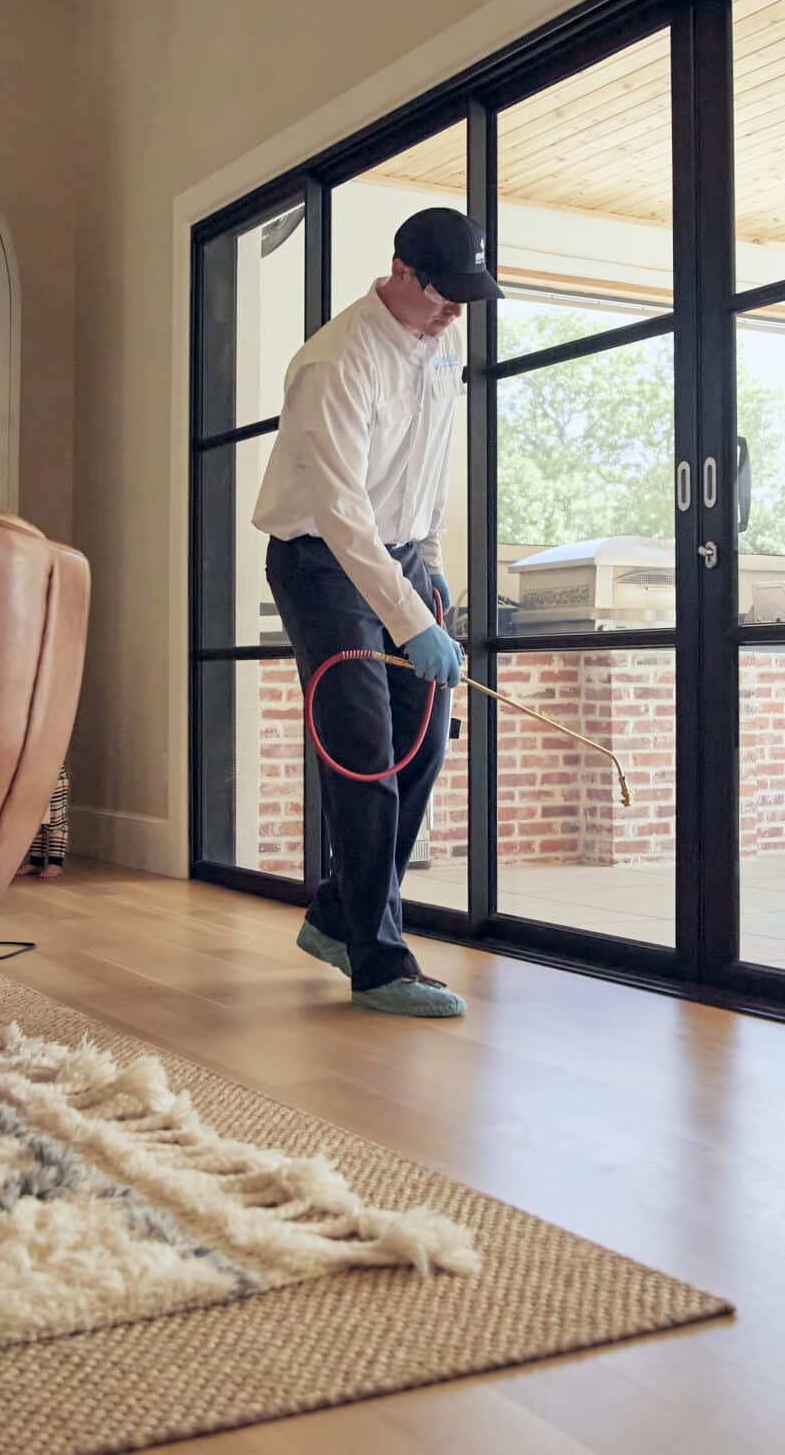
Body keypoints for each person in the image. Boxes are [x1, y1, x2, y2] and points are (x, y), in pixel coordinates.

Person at [253, 207, 494, 1018]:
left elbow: (426, 469)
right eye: (445, 294)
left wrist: (432, 578)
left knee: (423, 744)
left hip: (402, 557)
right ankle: (379, 961)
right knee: (363, 750)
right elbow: (342, 510)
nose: (458, 309)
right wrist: (409, 620)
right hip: (322, 560)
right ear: (401, 272)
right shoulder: (336, 361)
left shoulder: (445, 341)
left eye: (468, 294)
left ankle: (337, 914)